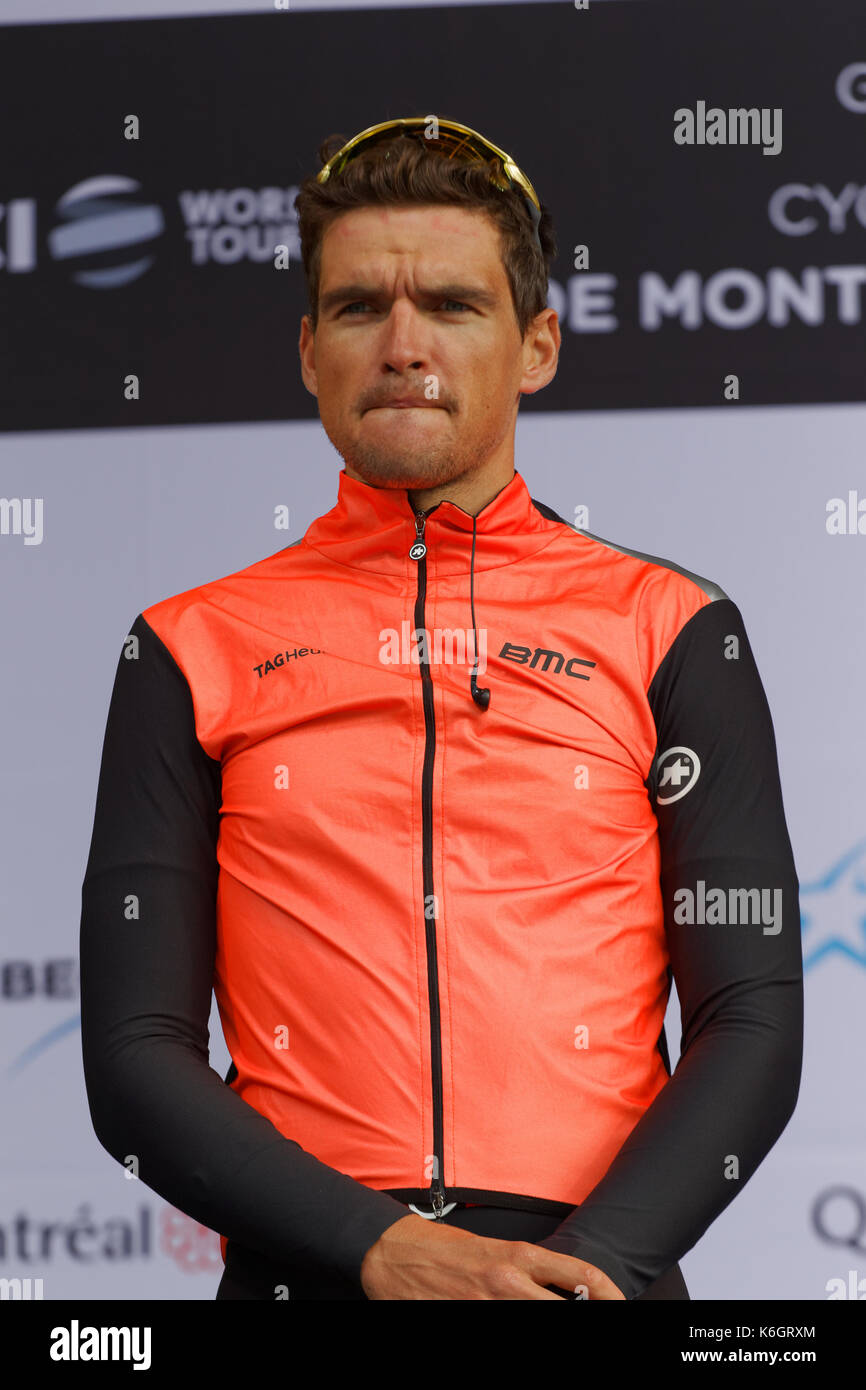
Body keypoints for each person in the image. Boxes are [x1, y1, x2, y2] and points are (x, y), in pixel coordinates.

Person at [79, 117, 803, 1302]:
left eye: (454, 307)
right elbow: (130, 1058)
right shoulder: (185, 644)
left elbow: (753, 1014)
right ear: (309, 351)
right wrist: (380, 1250)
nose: (402, 344)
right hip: (310, 1269)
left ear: (537, 347)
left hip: (589, 1277)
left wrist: (588, 1269)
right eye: (361, 308)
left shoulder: (671, 623)